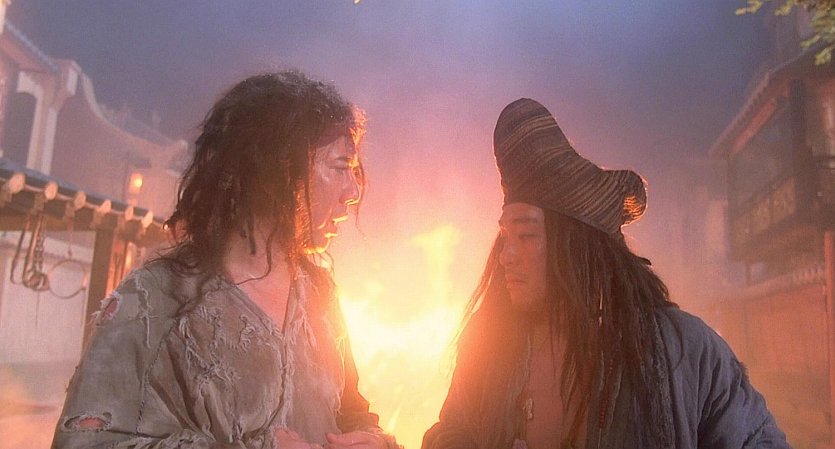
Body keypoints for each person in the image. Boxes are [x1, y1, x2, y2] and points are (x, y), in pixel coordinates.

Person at [53, 71, 398, 449]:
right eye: (340, 167)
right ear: (276, 170)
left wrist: (374, 440)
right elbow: (81, 444)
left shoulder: (319, 294)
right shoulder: (155, 300)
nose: (353, 191)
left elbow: (350, 412)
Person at [422, 98, 790, 449]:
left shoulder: (686, 353)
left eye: (527, 235)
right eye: (505, 236)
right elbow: (452, 430)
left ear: (577, 245)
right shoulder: (488, 345)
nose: (506, 256)